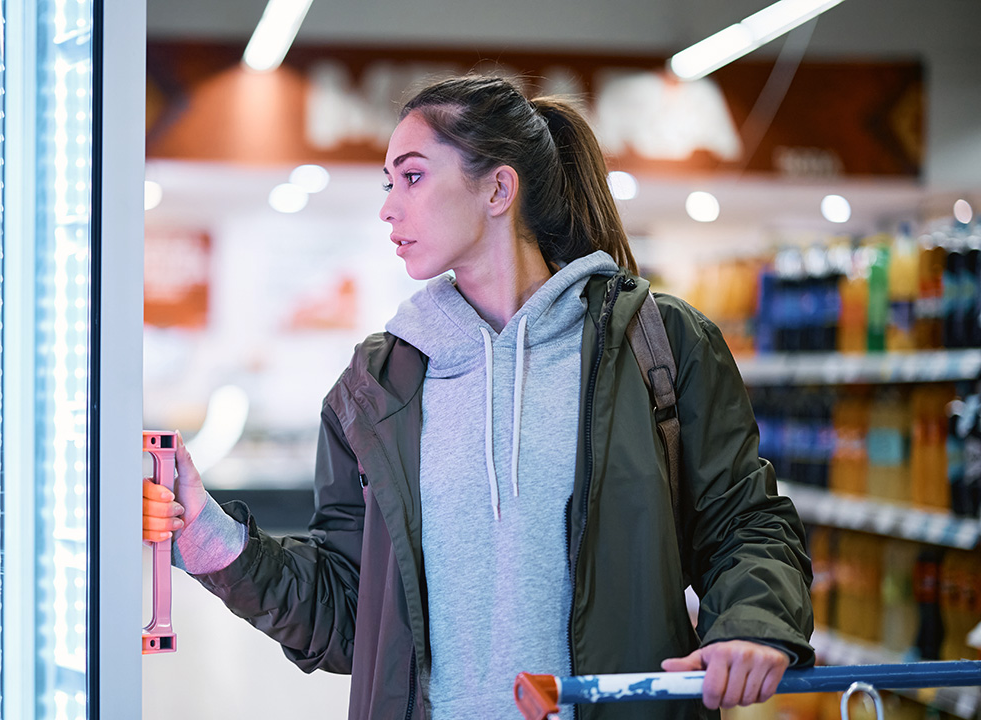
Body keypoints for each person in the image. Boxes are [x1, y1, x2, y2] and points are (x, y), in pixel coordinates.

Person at [142, 74, 814, 720]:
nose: (388, 205)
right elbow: (350, 616)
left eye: (411, 176)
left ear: (498, 189)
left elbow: (745, 522)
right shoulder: (376, 385)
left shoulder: (658, 345)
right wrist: (208, 536)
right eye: (388, 182)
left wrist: (751, 623)